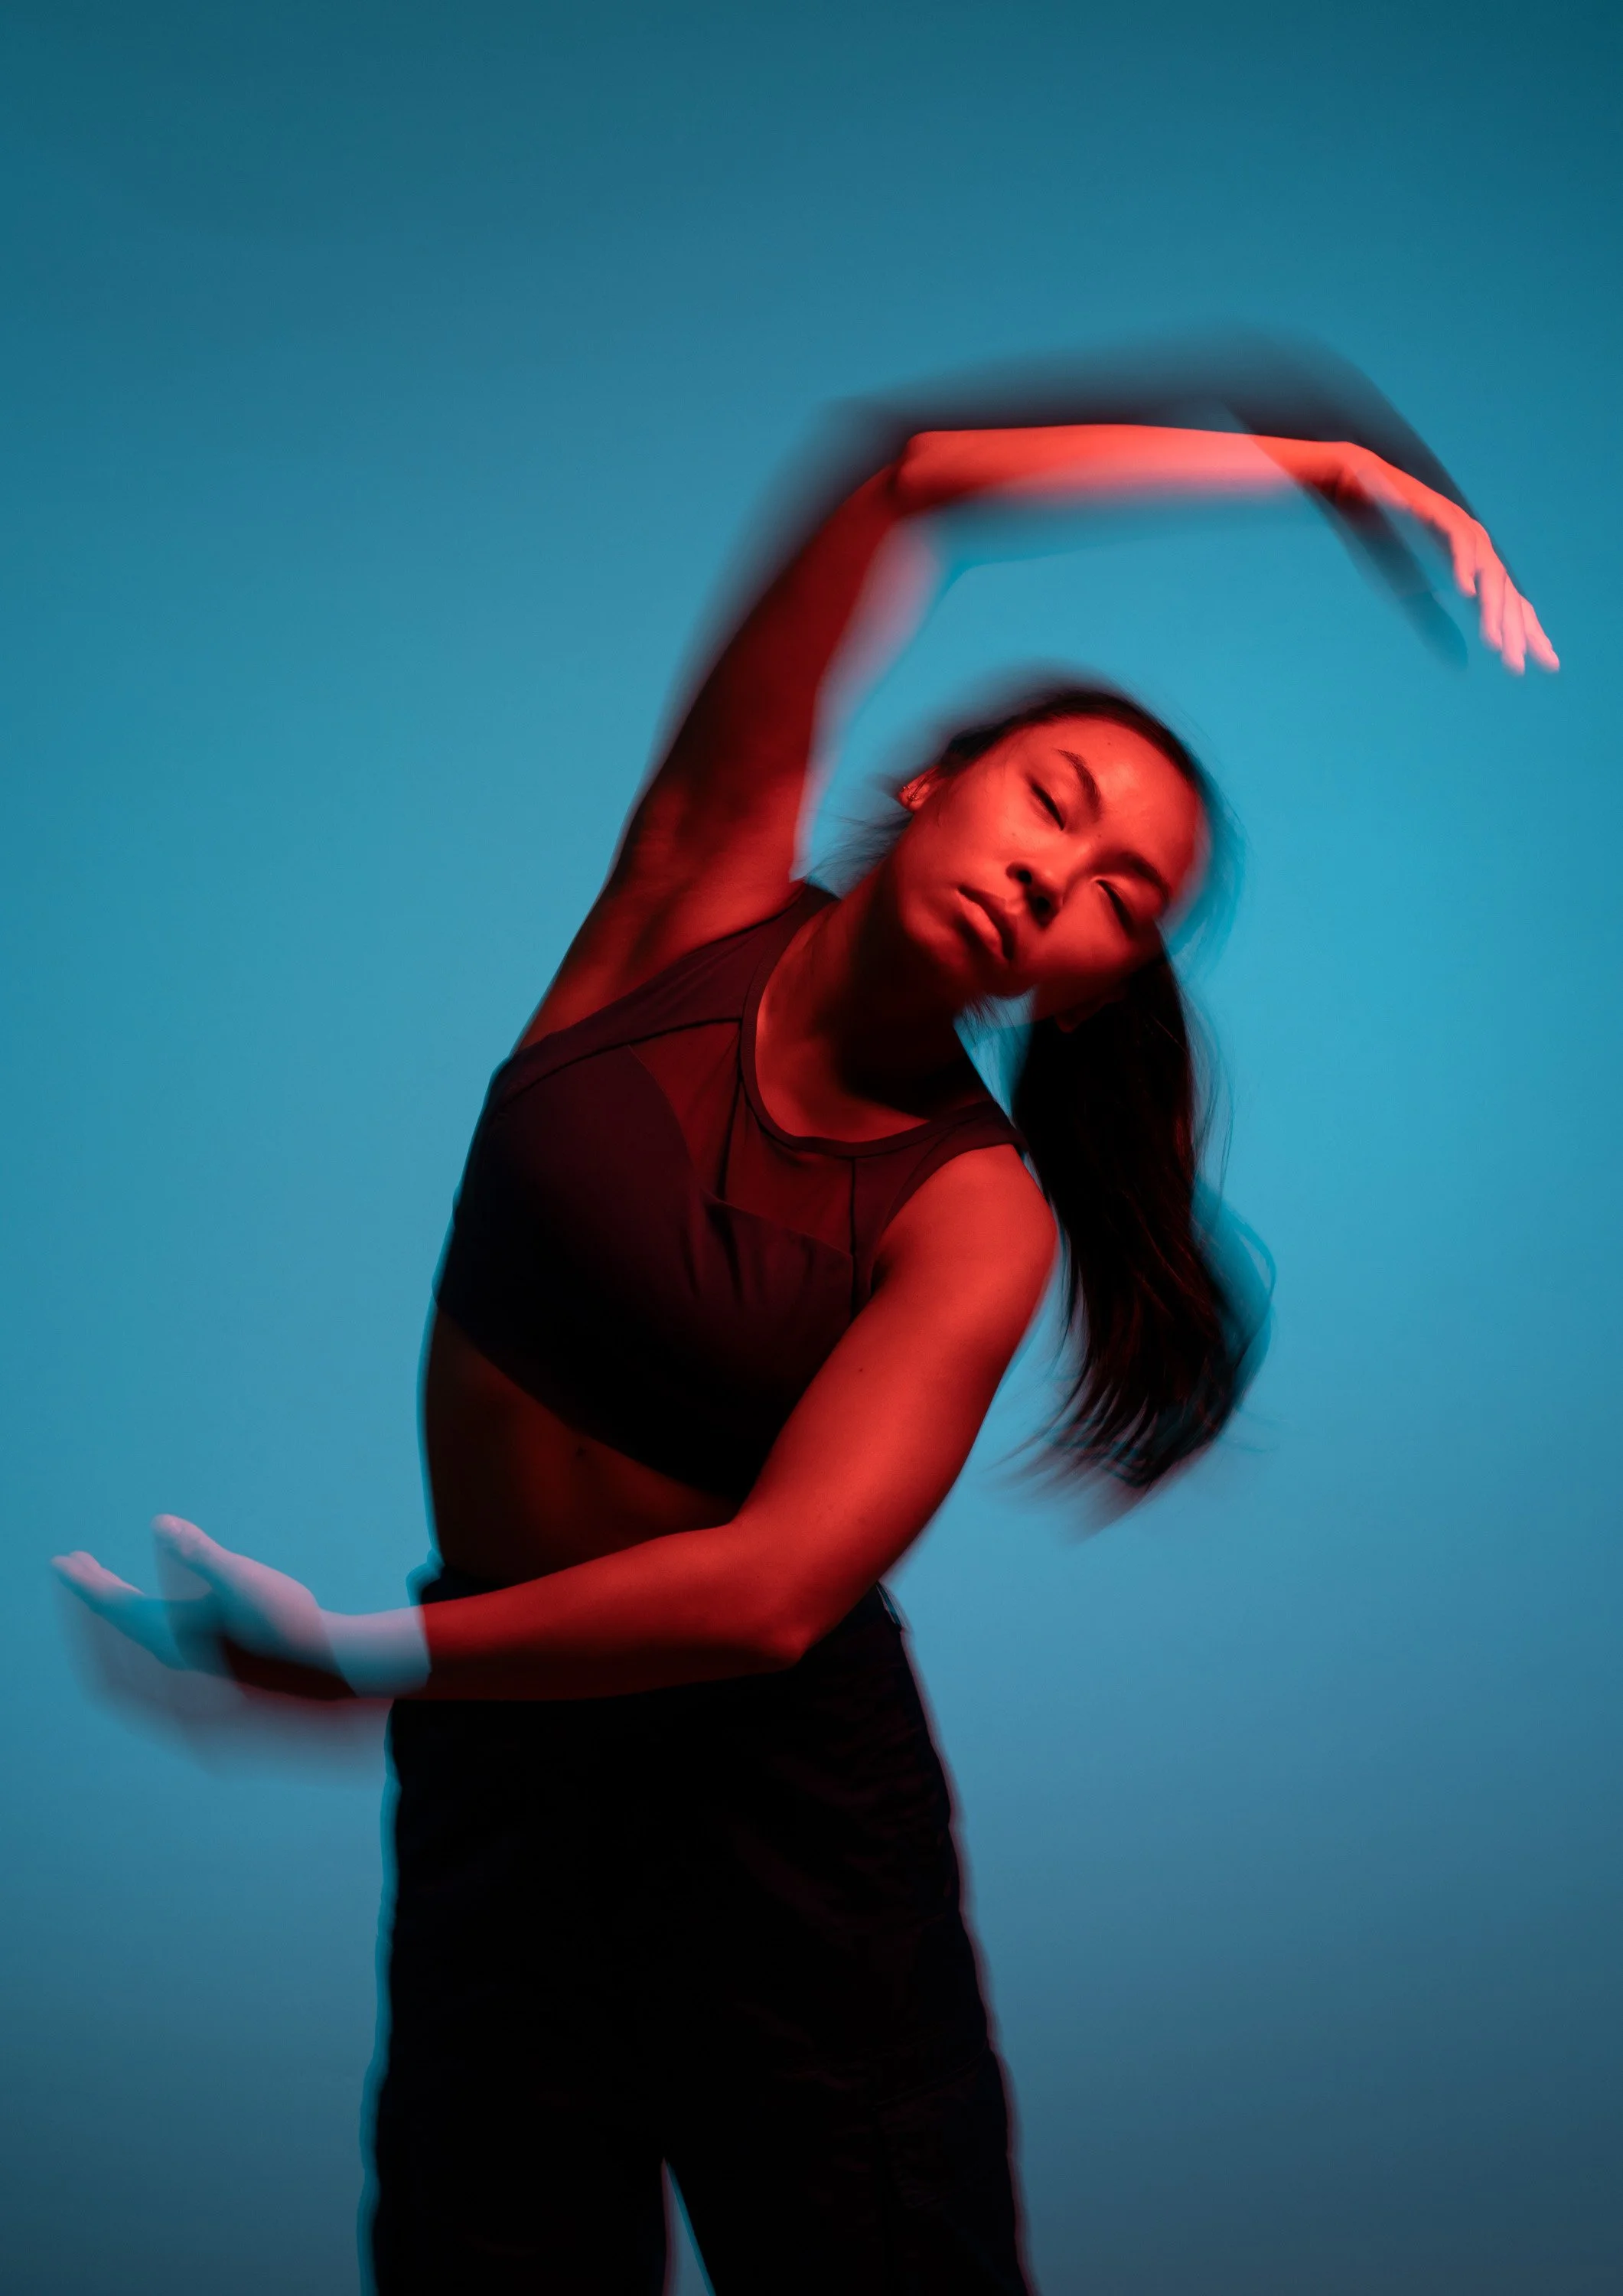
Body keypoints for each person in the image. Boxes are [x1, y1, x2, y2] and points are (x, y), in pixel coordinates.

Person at [55, 391, 1555, 2294]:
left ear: (1092, 994)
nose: (1061, 876)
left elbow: (770, 1593)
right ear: (934, 780)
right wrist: (1317, 468)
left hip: (770, 1821)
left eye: (1124, 902)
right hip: (506, 1775)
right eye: (1054, 801)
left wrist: (372, 1660)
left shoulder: (973, 1214)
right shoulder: (685, 897)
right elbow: (904, 476)